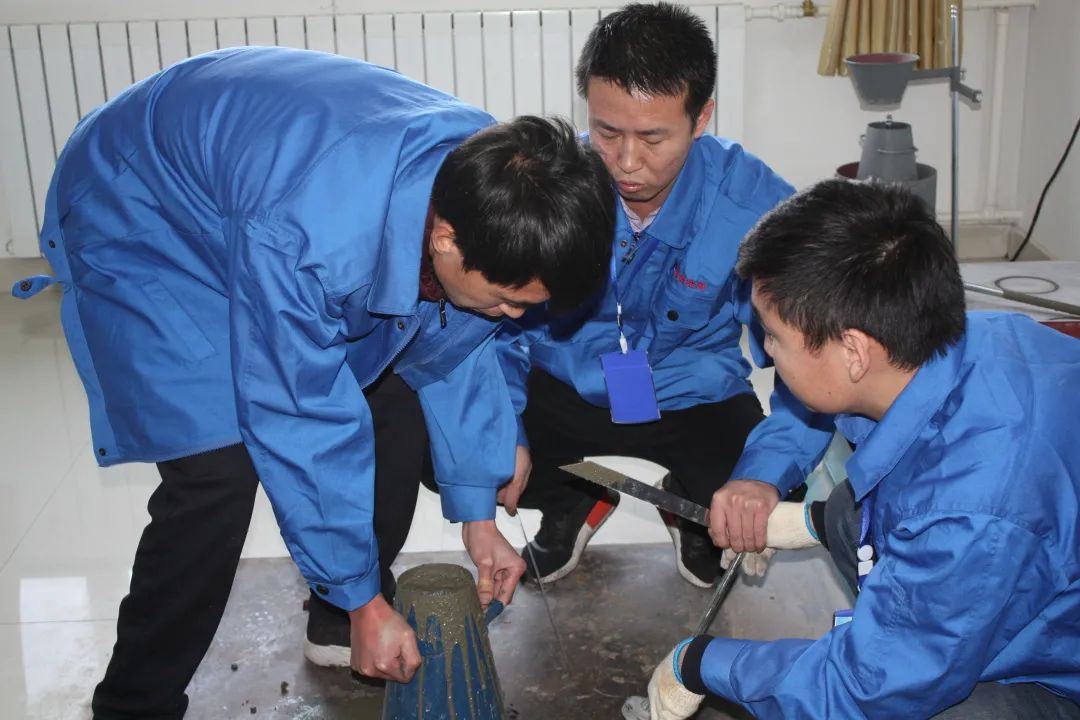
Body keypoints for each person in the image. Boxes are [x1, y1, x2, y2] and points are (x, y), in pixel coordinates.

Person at [13, 46, 614, 719]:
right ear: (446, 238)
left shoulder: (497, 185)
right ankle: (134, 704)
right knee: (215, 473)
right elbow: (298, 409)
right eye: (508, 299)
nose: (515, 318)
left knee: (391, 392)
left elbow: (454, 348)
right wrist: (364, 597)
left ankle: (341, 614)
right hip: (141, 205)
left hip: (262, 186)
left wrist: (478, 513)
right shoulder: (309, 241)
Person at [640, 179, 1080, 719]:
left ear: (853, 351)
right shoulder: (975, 340)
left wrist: (703, 663)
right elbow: (898, 472)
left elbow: (865, 690)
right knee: (865, 502)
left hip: (1061, 671)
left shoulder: (968, 510)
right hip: (1034, 574)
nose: (766, 353)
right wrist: (811, 521)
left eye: (773, 336)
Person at [496, 1, 830, 588]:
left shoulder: (758, 207)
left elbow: (816, 357)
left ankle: (691, 511)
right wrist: (504, 434)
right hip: (563, 385)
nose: (628, 163)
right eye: (607, 132)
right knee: (452, 447)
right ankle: (571, 501)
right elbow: (492, 332)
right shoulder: (545, 187)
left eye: (653, 137)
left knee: (779, 486)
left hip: (688, 392)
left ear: (702, 118)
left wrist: (762, 475)